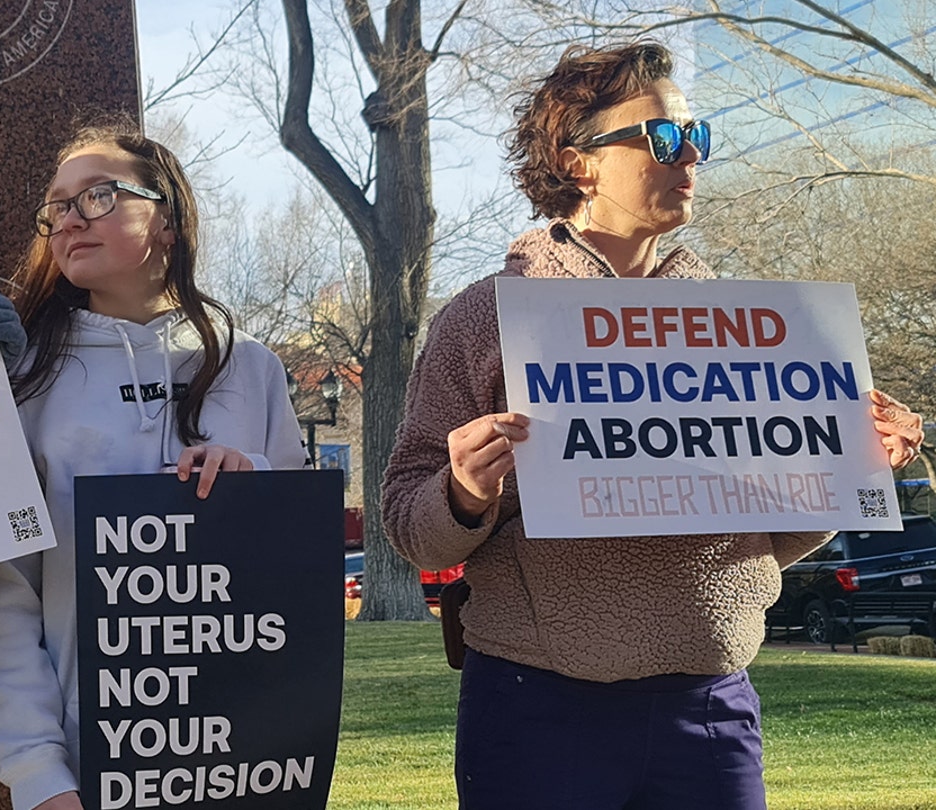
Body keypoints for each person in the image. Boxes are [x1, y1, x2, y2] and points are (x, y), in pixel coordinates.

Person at [380, 41, 925, 810]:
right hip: (536, 707)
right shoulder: (485, 319)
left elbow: (771, 536)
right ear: (579, 163)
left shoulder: (749, 329)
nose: (689, 157)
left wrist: (851, 466)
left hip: (711, 706)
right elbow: (412, 525)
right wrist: (464, 489)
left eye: (697, 137)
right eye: (663, 138)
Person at [0, 122, 309, 810]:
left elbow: (301, 569)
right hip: (83, 772)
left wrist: (254, 485)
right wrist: (39, 777)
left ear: (169, 221)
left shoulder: (252, 366)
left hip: (243, 761)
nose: (68, 219)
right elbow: (0, 595)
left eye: (97, 197)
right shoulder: (22, 378)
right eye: (57, 205)